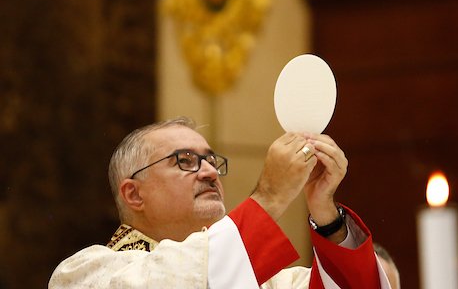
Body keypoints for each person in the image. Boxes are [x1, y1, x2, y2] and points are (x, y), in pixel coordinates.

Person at [49, 117, 391, 288]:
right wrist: (270, 196)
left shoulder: (263, 282)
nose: (210, 172)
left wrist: (326, 216)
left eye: (212, 161)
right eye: (184, 160)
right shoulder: (85, 275)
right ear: (134, 193)